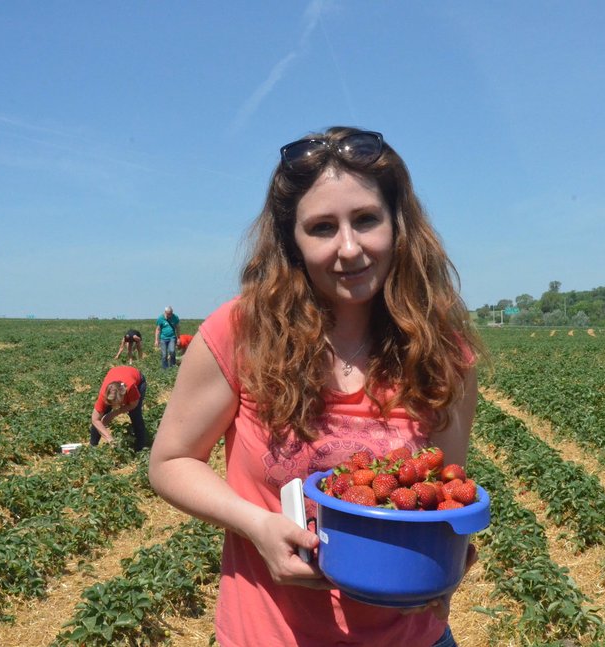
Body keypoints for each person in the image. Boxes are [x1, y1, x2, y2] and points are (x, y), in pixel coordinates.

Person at [149, 127, 480, 647]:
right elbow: (170, 461)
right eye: (322, 227)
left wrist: (447, 556)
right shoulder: (241, 333)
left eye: (366, 219)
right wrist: (257, 526)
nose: (350, 248)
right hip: (273, 635)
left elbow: (439, 492)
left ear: (398, 224)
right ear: (293, 242)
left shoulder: (443, 353)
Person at [90, 365, 148, 451]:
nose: (114, 406)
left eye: (118, 403)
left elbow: (133, 405)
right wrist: (110, 438)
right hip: (116, 373)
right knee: (101, 417)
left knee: (135, 414)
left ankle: (140, 447)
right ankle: (92, 446)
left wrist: (113, 413)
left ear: (124, 396)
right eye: (111, 403)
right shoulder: (103, 395)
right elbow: (95, 419)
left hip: (137, 379)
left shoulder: (131, 388)